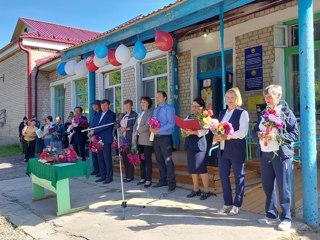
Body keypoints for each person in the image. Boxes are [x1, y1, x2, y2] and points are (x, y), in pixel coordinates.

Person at [252, 85, 298, 231]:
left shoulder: (286, 112)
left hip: (280, 154)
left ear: (278, 96)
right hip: (265, 153)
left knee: (283, 187)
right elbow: (254, 131)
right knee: (267, 186)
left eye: (270, 97)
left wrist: (277, 136)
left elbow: (294, 134)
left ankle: (286, 218)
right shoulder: (263, 113)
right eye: (265, 97)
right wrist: (258, 135)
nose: (267, 99)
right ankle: (271, 215)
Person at [214, 87, 249, 216]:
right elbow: (219, 130)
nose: (229, 99)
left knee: (239, 177)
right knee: (223, 177)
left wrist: (227, 136)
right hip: (223, 149)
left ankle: (237, 204)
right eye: (227, 97)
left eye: (232, 97)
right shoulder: (222, 113)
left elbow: (243, 132)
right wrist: (217, 136)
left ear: (237, 99)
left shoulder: (242, 113)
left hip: (236, 148)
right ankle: (227, 203)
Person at [182, 98, 210, 200]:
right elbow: (183, 129)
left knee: (201, 168)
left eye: (196, 106)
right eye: (193, 106)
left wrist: (193, 132)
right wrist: (184, 131)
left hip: (200, 145)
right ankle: (196, 189)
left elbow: (205, 131)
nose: (194, 108)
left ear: (201, 107)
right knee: (193, 168)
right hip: (190, 144)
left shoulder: (205, 117)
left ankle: (206, 191)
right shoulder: (188, 117)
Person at [151, 91, 176, 192]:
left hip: (165, 137)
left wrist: (159, 130)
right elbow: (153, 122)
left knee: (168, 160)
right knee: (159, 159)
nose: (157, 98)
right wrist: (151, 128)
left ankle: (172, 183)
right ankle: (163, 180)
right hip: (156, 137)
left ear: (164, 98)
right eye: (156, 97)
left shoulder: (169, 108)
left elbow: (171, 124)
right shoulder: (156, 109)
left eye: (159, 97)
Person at [89, 99, 116, 184]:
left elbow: (105, 126)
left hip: (106, 139)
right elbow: (95, 125)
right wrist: (91, 131)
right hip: (98, 139)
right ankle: (103, 175)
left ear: (109, 105)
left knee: (107, 158)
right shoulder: (98, 114)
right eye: (102, 105)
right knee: (100, 158)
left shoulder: (112, 114)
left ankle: (109, 177)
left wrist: (94, 130)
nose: (103, 107)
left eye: (105, 105)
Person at [132, 96, 153, 188]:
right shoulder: (140, 114)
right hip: (139, 140)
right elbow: (135, 125)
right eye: (141, 102)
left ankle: (148, 179)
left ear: (148, 103)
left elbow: (147, 126)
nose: (142, 104)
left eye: (144, 102)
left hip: (146, 140)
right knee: (142, 159)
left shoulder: (150, 113)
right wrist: (134, 132)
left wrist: (137, 131)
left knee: (148, 160)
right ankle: (143, 177)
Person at [119, 99, 138, 182]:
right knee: (125, 159)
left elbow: (135, 127)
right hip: (123, 140)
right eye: (125, 105)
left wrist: (125, 129)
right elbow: (120, 126)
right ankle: (127, 175)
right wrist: (120, 129)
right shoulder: (124, 116)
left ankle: (130, 176)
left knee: (131, 158)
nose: (126, 107)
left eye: (128, 105)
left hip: (131, 139)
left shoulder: (135, 115)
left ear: (131, 106)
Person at [89, 100, 101, 175]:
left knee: (98, 154)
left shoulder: (100, 114)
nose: (93, 106)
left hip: (98, 136)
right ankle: (96, 169)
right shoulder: (94, 114)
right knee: (94, 153)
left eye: (94, 105)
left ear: (97, 105)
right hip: (92, 135)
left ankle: (100, 170)